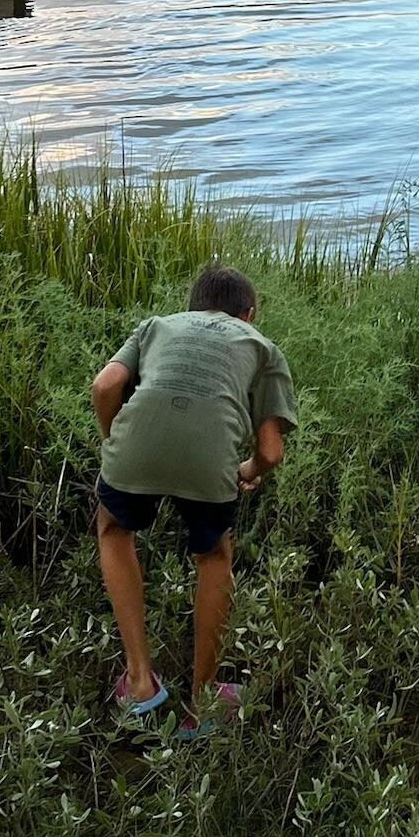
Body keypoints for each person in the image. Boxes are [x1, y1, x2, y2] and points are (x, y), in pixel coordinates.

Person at [91, 263, 295, 735]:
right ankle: (202, 700)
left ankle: (140, 680)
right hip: (211, 462)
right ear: (249, 313)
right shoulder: (263, 346)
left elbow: (105, 386)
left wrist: (115, 442)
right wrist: (250, 472)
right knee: (212, 554)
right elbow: (270, 450)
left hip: (132, 450)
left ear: (192, 308)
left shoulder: (158, 326)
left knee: (114, 528)